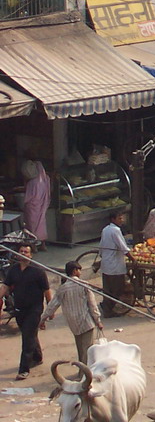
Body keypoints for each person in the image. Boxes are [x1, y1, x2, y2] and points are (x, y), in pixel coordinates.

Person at [0, 244, 51, 379]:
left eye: (26, 252)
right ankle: (37, 356)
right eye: (21, 251)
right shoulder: (13, 270)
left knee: (27, 337)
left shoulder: (38, 271)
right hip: (19, 309)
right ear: (17, 254)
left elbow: (47, 291)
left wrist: (50, 309)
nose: (23, 254)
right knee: (30, 334)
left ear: (30, 255)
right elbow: (5, 286)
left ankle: (24, 369)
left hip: (34, 309)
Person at [39, 260, 103, 363]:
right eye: (79, 270)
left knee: (80, 349)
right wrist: (98, 320)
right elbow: (92, 304)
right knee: (87, 349)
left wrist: (42, 319)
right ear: (74, 271)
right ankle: (85, 374)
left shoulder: (62, 289)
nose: (80, 273)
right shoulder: (84, 285)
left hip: (73, 324)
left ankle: (81, 372)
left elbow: (52, 306)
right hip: (86, 322)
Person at [99, 210, 131, 318]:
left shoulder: (105, 229)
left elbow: (101, 245)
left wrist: (101, 256)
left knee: (108, 289)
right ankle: (108, 309)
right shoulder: (115, 230)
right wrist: (132, 258)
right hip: (114, 266)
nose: (122, 220)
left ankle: (106, 306)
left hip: (106, 264)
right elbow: (123, 247)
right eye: (119, 218)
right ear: (113, 219)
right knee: (118, 288)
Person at [21, 158, 51, 250]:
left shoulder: (32, 182)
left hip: (32, 207)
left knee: (31, 226)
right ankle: (43, 245)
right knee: (41, 224)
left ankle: (33, 246)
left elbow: (28, 197)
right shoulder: (47, 179)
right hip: (42, 206)